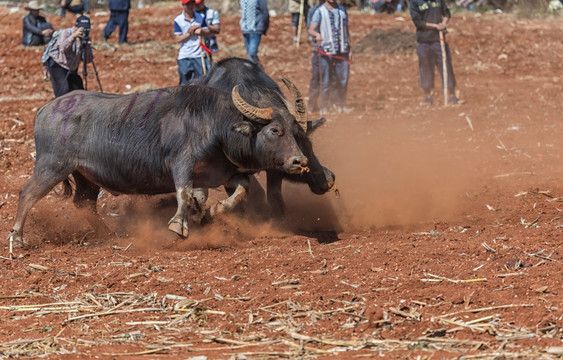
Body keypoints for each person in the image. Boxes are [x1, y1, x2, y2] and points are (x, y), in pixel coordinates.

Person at [410, 0, 459, 105]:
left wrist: (444, 23)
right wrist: (436, 26)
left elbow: (446, 13)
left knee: (446, 67)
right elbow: (418, 23)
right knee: (425, 69)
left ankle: (452, 95)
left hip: (438, 40)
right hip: (424, 41)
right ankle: (428, 96)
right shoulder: (415, 2)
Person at [308, 0, 352, 114]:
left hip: (342, 51)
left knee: (342, 80)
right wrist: (317, 35)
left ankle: (341, 105)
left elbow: (347, 30)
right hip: (325, 52)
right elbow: (311, 29)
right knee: (325, 81)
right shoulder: (319, 11)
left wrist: (350, 49)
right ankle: (324, 107)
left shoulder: (342, 10)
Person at [44, 16, 92, 97]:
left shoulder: (85, 38)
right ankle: (60, 108)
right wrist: (73, 37)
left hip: (71, 67)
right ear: (75, 26)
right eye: (82, 28)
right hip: (57, 64)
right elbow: (62, 49)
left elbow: (87, 60)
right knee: (63, 92)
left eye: (86, 29)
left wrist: (86, 47)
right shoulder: (66, 32)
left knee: (79, 91)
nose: (83, 31)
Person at [174, 0, 210, 85]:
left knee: (202, 82)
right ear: (183, 5)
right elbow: (178, 39)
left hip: (199, 55)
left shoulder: (201, 17)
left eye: (192, 4)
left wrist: (201, 30)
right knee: (184, 84)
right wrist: (190, 33)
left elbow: (207, 33)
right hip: (185, 56)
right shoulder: (178, 20)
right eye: (187, 4)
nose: (190, 6)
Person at [306, 0, 324, 112]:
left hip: (334, 51)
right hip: (319, 50)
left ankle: (331, 104)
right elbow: (310, 30)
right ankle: (312, 104)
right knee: (316, 77)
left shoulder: (338, 10)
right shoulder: (313, 11)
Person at [239, 0, 269, 65]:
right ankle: (258, 70)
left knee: (252, 53)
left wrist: (265, 26)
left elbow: (265, 12)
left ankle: (255, 72)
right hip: (245, 29)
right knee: (249, 54)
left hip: (256, 29)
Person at [195, 0, 220, 64]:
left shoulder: (212, 12)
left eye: (199, 3)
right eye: (195, 4)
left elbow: (217, 29)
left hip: (209, 45)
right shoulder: (191, 14)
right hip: (195, 48)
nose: (197, 5)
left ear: (203, 2)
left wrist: (205, 25)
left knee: (209, 67)